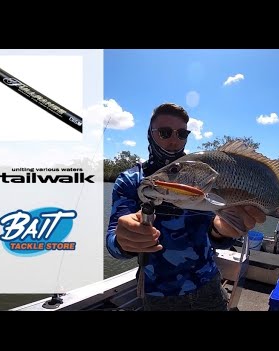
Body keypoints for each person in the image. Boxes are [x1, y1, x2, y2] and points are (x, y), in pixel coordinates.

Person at [106, 103, 266, 311]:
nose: (174, 140)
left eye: (182, 133)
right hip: (158, 294)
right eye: (165, 132)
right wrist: (123, 239)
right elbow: (113, 245)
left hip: (208, 284)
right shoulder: (131, 180)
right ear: (150, 134)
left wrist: (223, 231)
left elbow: (216, 234)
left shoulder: (201, 174)